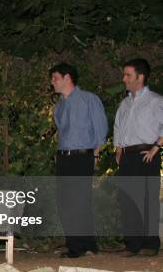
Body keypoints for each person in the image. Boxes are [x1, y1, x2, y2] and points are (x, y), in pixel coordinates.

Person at [50, 63, 107, 258]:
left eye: (55, 78)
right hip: (64, 157)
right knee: (65, 201)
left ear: (67, 78)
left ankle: (83, 245)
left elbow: (100, 129)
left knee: (80, 201)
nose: (52, 82)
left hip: (83, 156)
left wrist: (96, 155)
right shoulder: (59, 105)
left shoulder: (89, 99)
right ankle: (76, 243)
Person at [114, 58, 162, 257]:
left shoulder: (156, 101)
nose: (124, 79)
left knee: (147, 200)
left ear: (140, 77)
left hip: (146, 155)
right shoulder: (125, 103)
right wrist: (118, 148)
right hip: (127, 156)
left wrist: (156, 147)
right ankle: (132, 244)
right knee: (127, 200)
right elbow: (118, 127)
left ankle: (150, 245)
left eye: (128, 75)